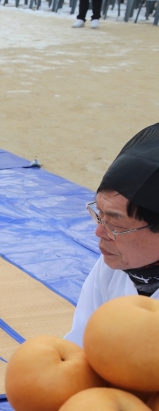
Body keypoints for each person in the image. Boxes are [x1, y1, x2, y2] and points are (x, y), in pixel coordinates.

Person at [64, 123, 159, 347]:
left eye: (116, 223)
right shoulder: (114, 264)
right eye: (99, 214)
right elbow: (82, 347)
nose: (99, 232)